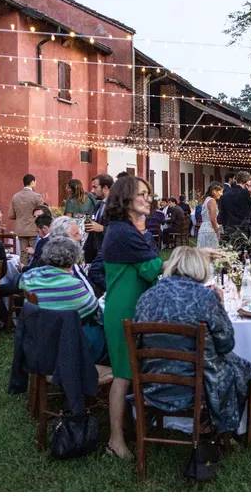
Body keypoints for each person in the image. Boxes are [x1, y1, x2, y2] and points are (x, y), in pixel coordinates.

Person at [134, 246, 251, 435]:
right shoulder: (205, 297)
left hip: (152, 383)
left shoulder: (146, 297)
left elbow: (137, 343)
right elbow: (226, 344)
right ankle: (220, 428)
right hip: (196, 385)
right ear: (200, 268)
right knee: (243, 368)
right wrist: (220, 305)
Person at [100, 176, 163, 459]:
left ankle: (140, 425)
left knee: (131, 373)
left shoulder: (127, 229)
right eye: (142, 194)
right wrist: (189, 257)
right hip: (125, 311)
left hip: (132, 307)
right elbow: (151, 269)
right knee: (123, 375)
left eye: (149, 194)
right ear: (125, 198)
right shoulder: (123, 233)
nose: (148, 198)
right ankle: (115, 440)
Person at [20, 236, 104, 361]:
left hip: (38, 339)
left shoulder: (29, 277)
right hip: (68, 347)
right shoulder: (73, 285)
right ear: (73, 259)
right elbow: (92, 309)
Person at [9, 174, 44, 264]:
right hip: (34, 229)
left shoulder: (15, 196)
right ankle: (35, 273)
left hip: (21, 229)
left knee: (23, 254)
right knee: (35, 253)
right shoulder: (37, 196)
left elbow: (11, 215)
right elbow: (42, 213)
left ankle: (23, 273)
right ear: (32, 182)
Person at [83, 174, 113, 263]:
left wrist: (102, 228)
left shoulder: (117, 207)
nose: (92, 190)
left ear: (105, 188)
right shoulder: (98, 205)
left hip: (108, 254)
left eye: (95, 187)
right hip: (95, 254)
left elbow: (123, 231)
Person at [218, 170, 251, 242]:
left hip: (229, 227)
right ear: (247, 181)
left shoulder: (225, 194)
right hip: (244, 229)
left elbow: (222, 213)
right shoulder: (247, 194)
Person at [197, 182, 224, 249]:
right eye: (220, 192)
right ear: (214, 191)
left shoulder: (206, 199)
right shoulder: (212, 201)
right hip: (210, 229)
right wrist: (217, 230)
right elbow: (213, 219)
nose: (221, 194)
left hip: (203, 228)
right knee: (212, 253)